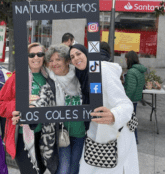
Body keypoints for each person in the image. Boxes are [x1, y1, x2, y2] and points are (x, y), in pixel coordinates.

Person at [69, 44, 138, 174]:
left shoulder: (103, 70)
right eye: (72, 57)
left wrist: (113, 115)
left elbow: (125, 104)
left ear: (87, 54)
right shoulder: (81, 74)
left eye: (78, 54)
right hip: (94, 135)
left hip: (113, 135)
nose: (75, 58)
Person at [0, 43, 59, 174]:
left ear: (44, 56)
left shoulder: (50, 78)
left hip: (43, 136)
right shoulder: (17, 77)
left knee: (40, 170)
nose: (36, 57)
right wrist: (20, 104)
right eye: (31, 55)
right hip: (21, 136)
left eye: (40, 54)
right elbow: (0, 105)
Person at [45, 44, 85, 174]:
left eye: (58, 59)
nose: (54, 63)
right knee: (63, 169)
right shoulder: (49, 80)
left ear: (67, 61)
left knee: (74, 167)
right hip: (60, 131)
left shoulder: (79, 75)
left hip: (80, 131)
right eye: (51, 60)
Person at [124, 50, 146, 144]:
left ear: (129, 59)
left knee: (130, 120)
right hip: (136, 98)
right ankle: (134, 138)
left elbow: (131, 88)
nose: (125, 60)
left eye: (125, 59)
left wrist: (125, 100)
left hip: (130, 99)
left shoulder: (132, 71)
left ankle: (133, 139)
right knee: (133, 118)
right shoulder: (140, 70)